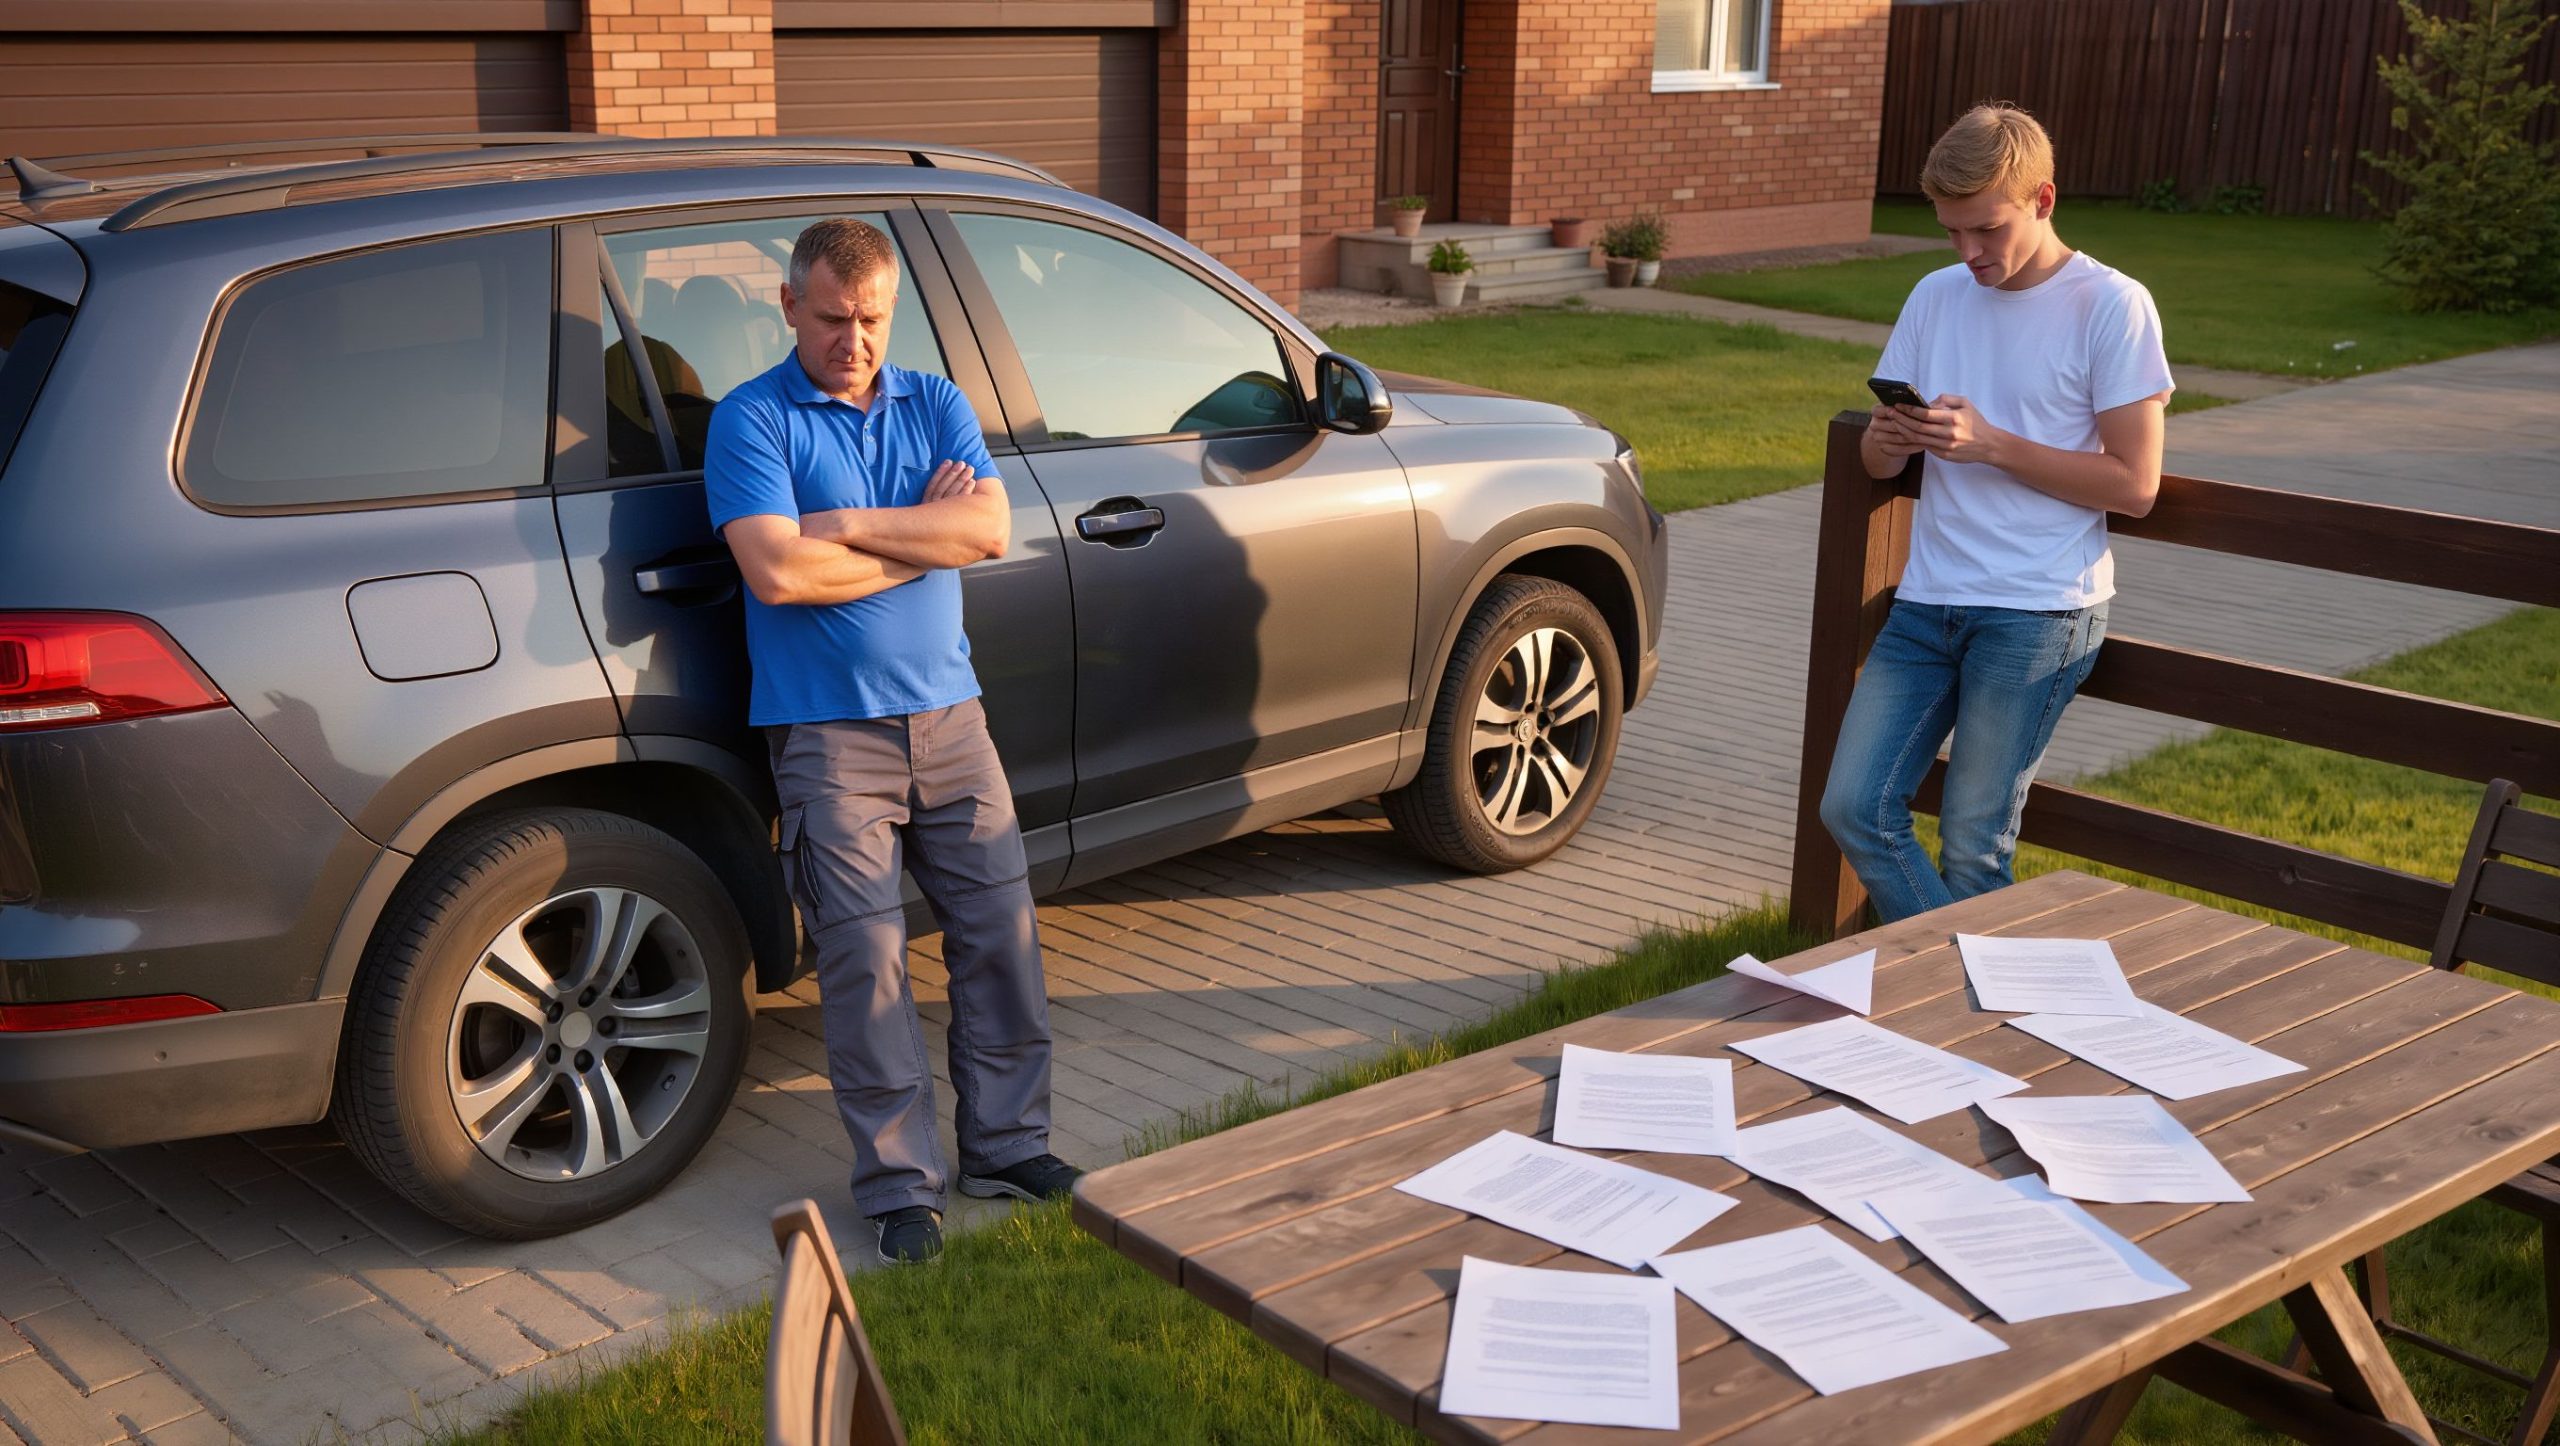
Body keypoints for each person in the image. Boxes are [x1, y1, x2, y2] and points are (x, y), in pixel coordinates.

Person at [703, 217, 1080, 1265]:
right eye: (831, 319)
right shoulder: (752, 421)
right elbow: (777, 574)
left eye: (871, 320)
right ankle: (900, 1186)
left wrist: (844, 526)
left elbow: (988, 531)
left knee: (1001, 945)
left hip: (955, 722)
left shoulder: (937, 401)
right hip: (828, 738)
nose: (853, 341)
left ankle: (1006, 1147)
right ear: (790, 307)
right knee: (866, 967)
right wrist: (916, 533)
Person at [1818, 104, 2175, 922]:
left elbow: (2136, 486)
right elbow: (1879, 465)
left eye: (1986, 229)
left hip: (2038, 612)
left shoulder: (2112, 307)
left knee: (1975, 847)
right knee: (1852, 807)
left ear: (2043, 200)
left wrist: (1989, 445)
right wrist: (1889, 437)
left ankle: (1964, 1022)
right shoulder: (1936, 296)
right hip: (1927, 603)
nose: (1968, 253)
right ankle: (1960, 993)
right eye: (1951, 232)